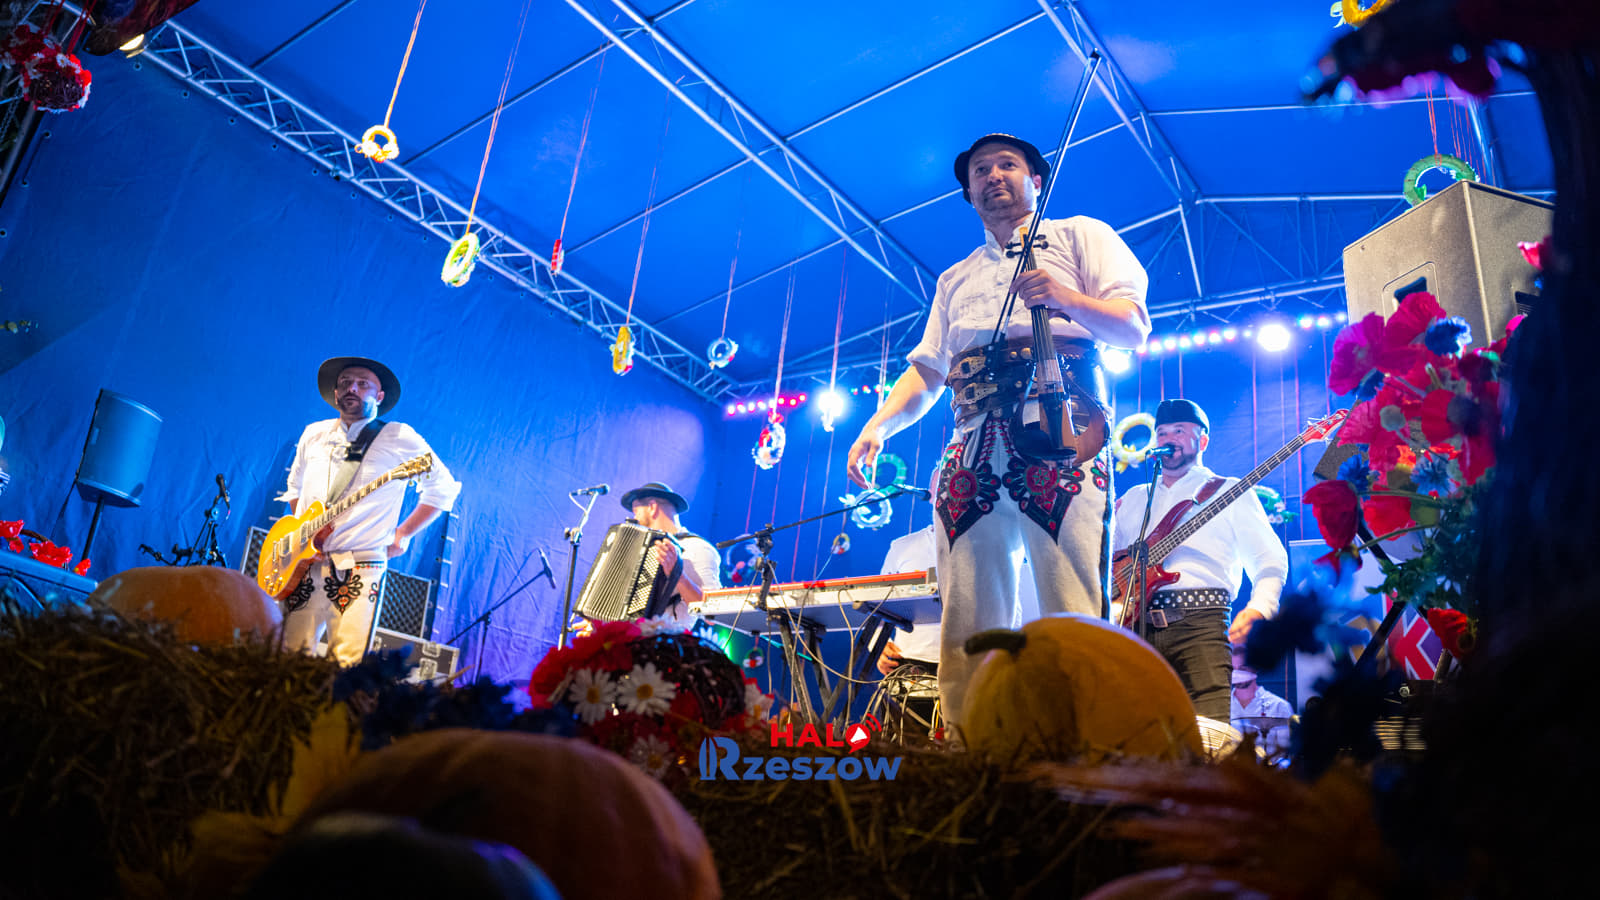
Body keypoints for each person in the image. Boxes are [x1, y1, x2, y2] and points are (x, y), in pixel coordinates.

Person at [846, 132, 1151, 730]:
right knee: (967, 612)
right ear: (969, 193)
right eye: (980, 170)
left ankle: (1085, 748)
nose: (992, 176)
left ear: (1036, 180)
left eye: (1007, 164)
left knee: (1071, 598)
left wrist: (1064, 297)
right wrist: (878, 426)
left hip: (1061, 429)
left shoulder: (1080, 235)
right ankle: (972, 749)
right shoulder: (954, 278)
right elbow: (927, 371)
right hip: (971, 443)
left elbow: (1133, 326)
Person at [1112, 398, 1288, 720]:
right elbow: (1108, 564)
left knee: (1209, 732)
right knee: (1141, 732)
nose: (1168, 438)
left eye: (1179, 430)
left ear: (1203, 440)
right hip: (1136, 627)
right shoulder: (1134, 499)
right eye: (1162, 432)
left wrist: (1261, 607)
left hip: (1202, 624)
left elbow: (1269, 558)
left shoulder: (1229, 491)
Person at [279, 357, 460, 666]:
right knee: (286, 657)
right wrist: (304, 535)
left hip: (360, 565)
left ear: (379, 396)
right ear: (335, 393)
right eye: (345, 382)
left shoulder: (399, 436)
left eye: (363, 384)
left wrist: (404, 533)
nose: (352, 388)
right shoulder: (313, 433)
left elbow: (443, 488)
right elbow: (294, 487)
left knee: (346, 664)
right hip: (305, 564)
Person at [618, 482, 722, 625]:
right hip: (629, 635)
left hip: (668, 637)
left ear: (652, 507)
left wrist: (678, 575)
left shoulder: (697, 548)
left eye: (636, 512)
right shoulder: (640, 548)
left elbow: (713, 614)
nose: (635, 519)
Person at [1229, 644, 1293, 757]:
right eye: (1233, 669)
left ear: (1255, 669)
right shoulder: (1223, 705)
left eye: (1242, 669)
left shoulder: (1279, 706)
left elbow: (1284, 753)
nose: (1237, 674)